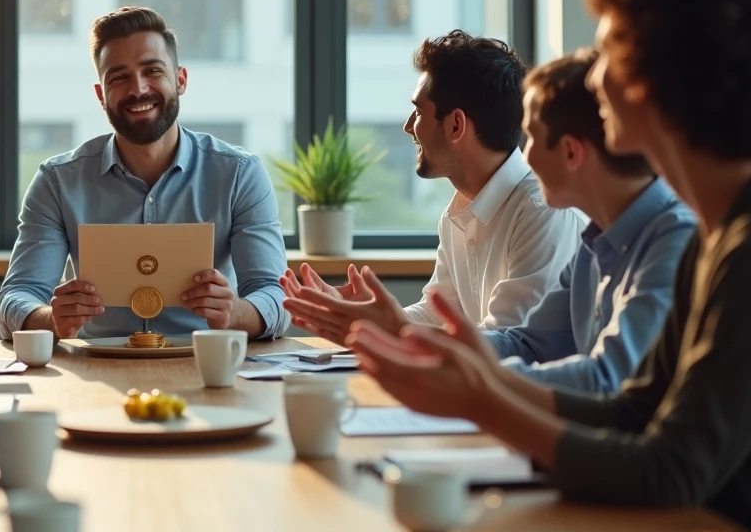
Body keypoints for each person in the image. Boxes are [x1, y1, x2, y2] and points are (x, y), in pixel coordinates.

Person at [347, 0, 751, 528]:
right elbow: (633, 411)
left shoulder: (733, 248)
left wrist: (484, 399)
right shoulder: (712, 238)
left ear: (654, 74)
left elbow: (671, 467)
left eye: (609, 51)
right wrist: (461, 368)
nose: (591, 76)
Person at [284, 49, 695, 393]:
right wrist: (389, 327)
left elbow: (605, 380)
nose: (524, 156)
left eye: (531, 139)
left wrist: (416, 348)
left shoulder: (671, 240)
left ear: (572, 152)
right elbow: (526, 343)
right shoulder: (594, 244)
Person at [0, 6, 289, 341]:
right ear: (100, 95)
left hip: (205, 366)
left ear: (180, 80)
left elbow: (276, 296)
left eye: (152, 71)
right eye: (119, 77)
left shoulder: (239, 174)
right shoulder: (57, 181)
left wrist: (234, 312)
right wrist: (51, 320)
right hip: (100, 372)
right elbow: (14, 297)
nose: (138, 89)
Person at [283, 30, 584, 332]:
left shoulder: (542, 212)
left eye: (417, 112)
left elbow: (508, 342)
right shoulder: (456, 214)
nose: (407, 127)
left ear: (456, 125)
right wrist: (363, 316)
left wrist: (389, 326)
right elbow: (436, 313)